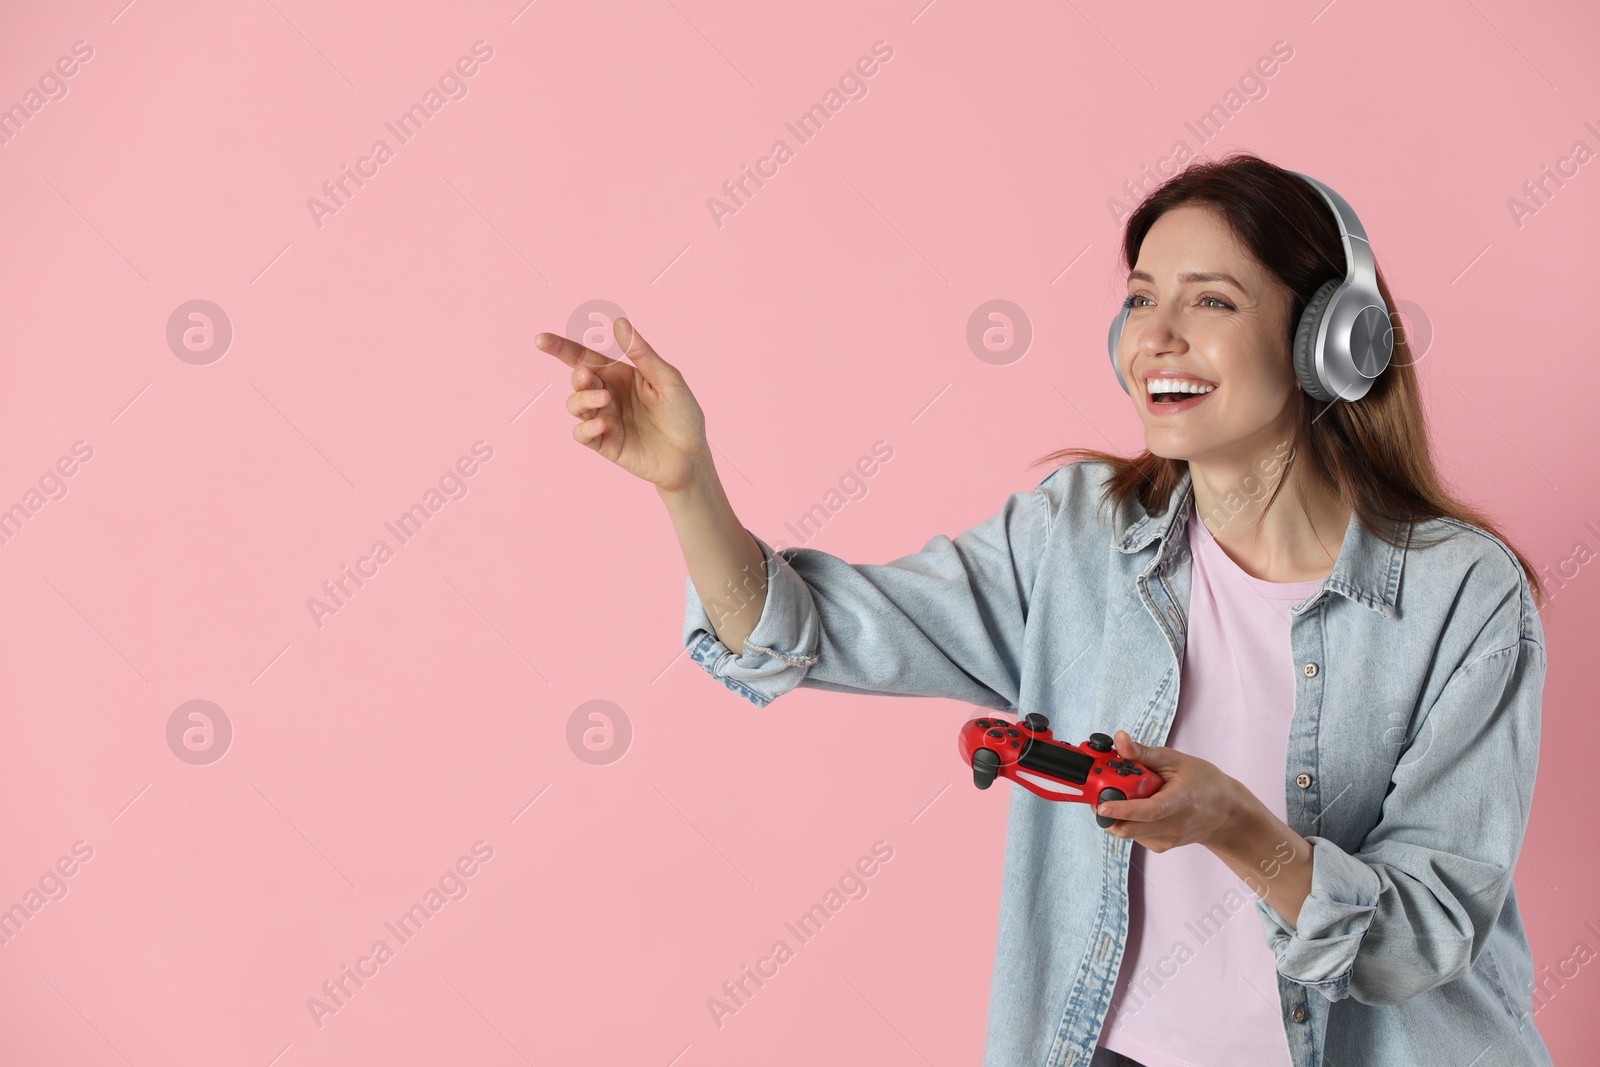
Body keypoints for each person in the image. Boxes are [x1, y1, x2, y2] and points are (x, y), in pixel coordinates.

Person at [535, 152, 1553, 1067]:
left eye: (1210, 303)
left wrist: (1240, 829)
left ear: (1332, 340)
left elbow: (1423, 931)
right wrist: (684, 482)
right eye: (1141, 297)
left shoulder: (1463, 596)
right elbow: (804, 628)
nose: (1154, 337)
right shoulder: (1078, 538)